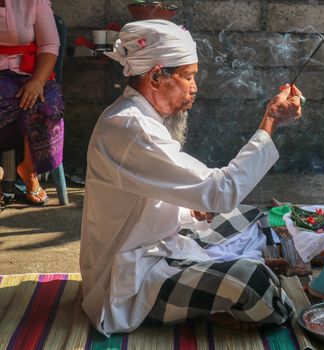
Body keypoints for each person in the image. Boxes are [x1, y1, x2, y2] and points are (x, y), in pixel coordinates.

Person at [80, 19, 304, 335]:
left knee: (253, 218)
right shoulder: (131, 128)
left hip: (162, 245)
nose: (194, 88)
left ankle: (220, 278)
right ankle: (224, 286)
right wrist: (270, 121)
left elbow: (152, 197)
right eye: (188, 77)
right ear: (156, 76)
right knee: (258, 285)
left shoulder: (139, 117)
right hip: (132, 278)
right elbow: (221, 191)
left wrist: (189, 208)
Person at [0, 0, 65, 205]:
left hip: (29, 73)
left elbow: (49, 44)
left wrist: (37, 81)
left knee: (47, 103)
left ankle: (29, 168)